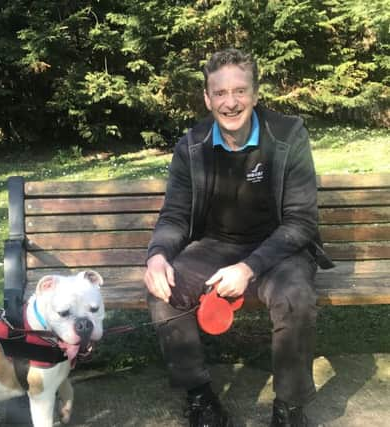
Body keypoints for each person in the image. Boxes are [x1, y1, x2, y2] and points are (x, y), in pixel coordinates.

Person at [144, 48, 334, 427]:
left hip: (280, 249)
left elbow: (300, 222)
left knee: (294, 297)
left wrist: (248, 267)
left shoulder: (288, 135)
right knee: (164, 290)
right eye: (220, 93)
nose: (230, 103)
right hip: (215, 246)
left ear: (256, 94)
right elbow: (175, 215)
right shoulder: (191, 146)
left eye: (240, 91)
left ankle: (290, 408)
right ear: (207, 98)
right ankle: (201, 399)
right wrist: (157, 255)